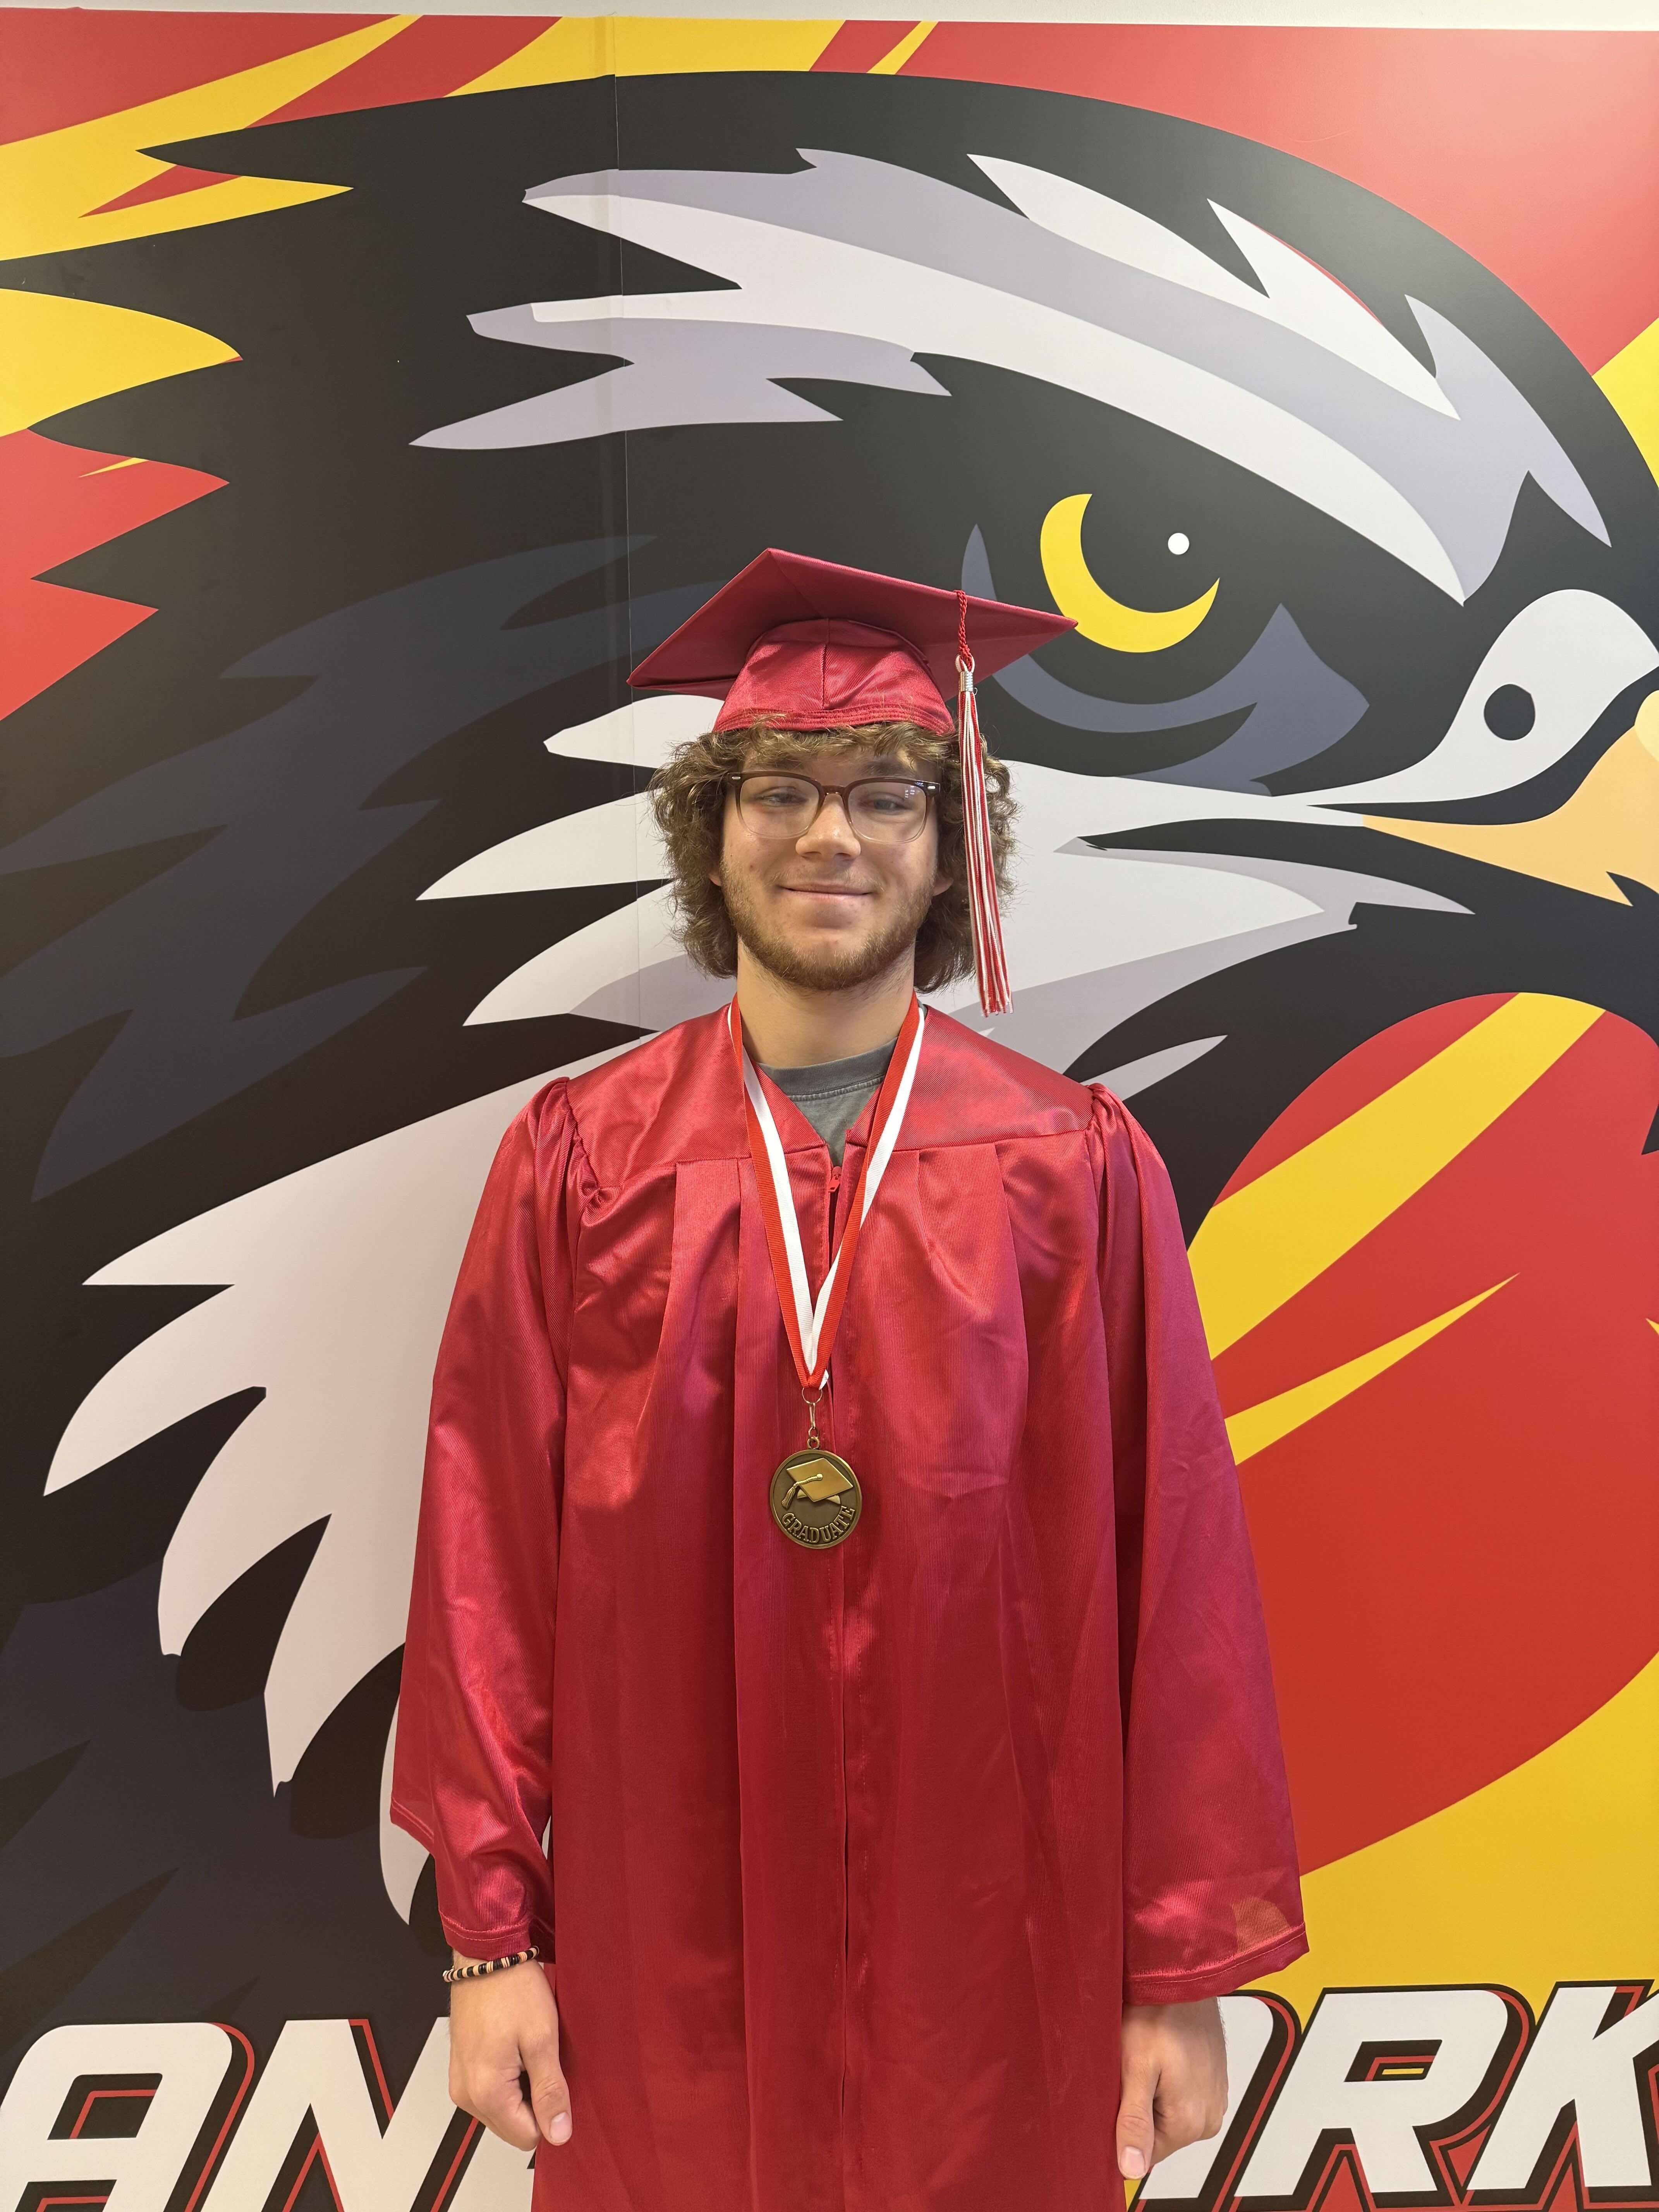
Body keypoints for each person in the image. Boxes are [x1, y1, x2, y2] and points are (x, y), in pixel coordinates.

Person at [392, 549, 1307, 2212]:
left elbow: (1177, 1575)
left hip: (998, 1922)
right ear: (712, 836)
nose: (831, 837)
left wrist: (1176, 1964)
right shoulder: (583, 1163)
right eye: (780, 793)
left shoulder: (1071, 1164)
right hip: (664, 1924)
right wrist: (490, 1941)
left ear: (950, 851)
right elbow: (485, 1565)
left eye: (887, 795)